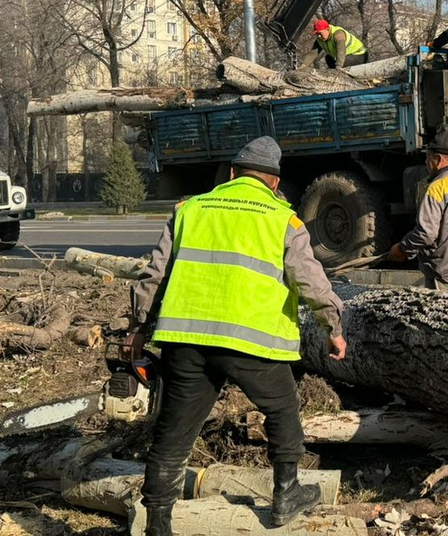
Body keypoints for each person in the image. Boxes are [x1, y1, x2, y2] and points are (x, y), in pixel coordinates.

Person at [126, 136, 348, 535]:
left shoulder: (190, 209)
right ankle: (286, 494)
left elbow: (153, 274)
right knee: (282, 410)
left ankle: (158, 522)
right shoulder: (284, 220)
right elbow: (311, 281)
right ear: (275, 183)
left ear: (231, 174)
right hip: (252, 343)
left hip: (186, 340)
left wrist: (139, 328)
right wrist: (333, 327)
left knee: (173, 433)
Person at [387, 125, 448, 290]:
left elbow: (426, 234)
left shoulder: (437, 188)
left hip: (446, 276)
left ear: (438, 159)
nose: (426, 162)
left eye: (428, 157)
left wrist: (403, 248)